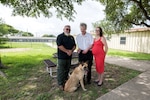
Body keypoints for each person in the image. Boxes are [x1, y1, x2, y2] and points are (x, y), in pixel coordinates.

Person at [56, 25, 76, 90]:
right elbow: (59, 45)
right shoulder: (60, 36)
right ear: (63, 29)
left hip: (69, 57)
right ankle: (60, 83)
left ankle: (65, 81)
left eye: (69, 29)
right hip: (61, 57)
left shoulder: (71, 37)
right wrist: (67, 51)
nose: (68, 30)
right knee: (61, 70)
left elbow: (74, 45)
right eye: (67, 29)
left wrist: (71, 50)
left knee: (67, 70)